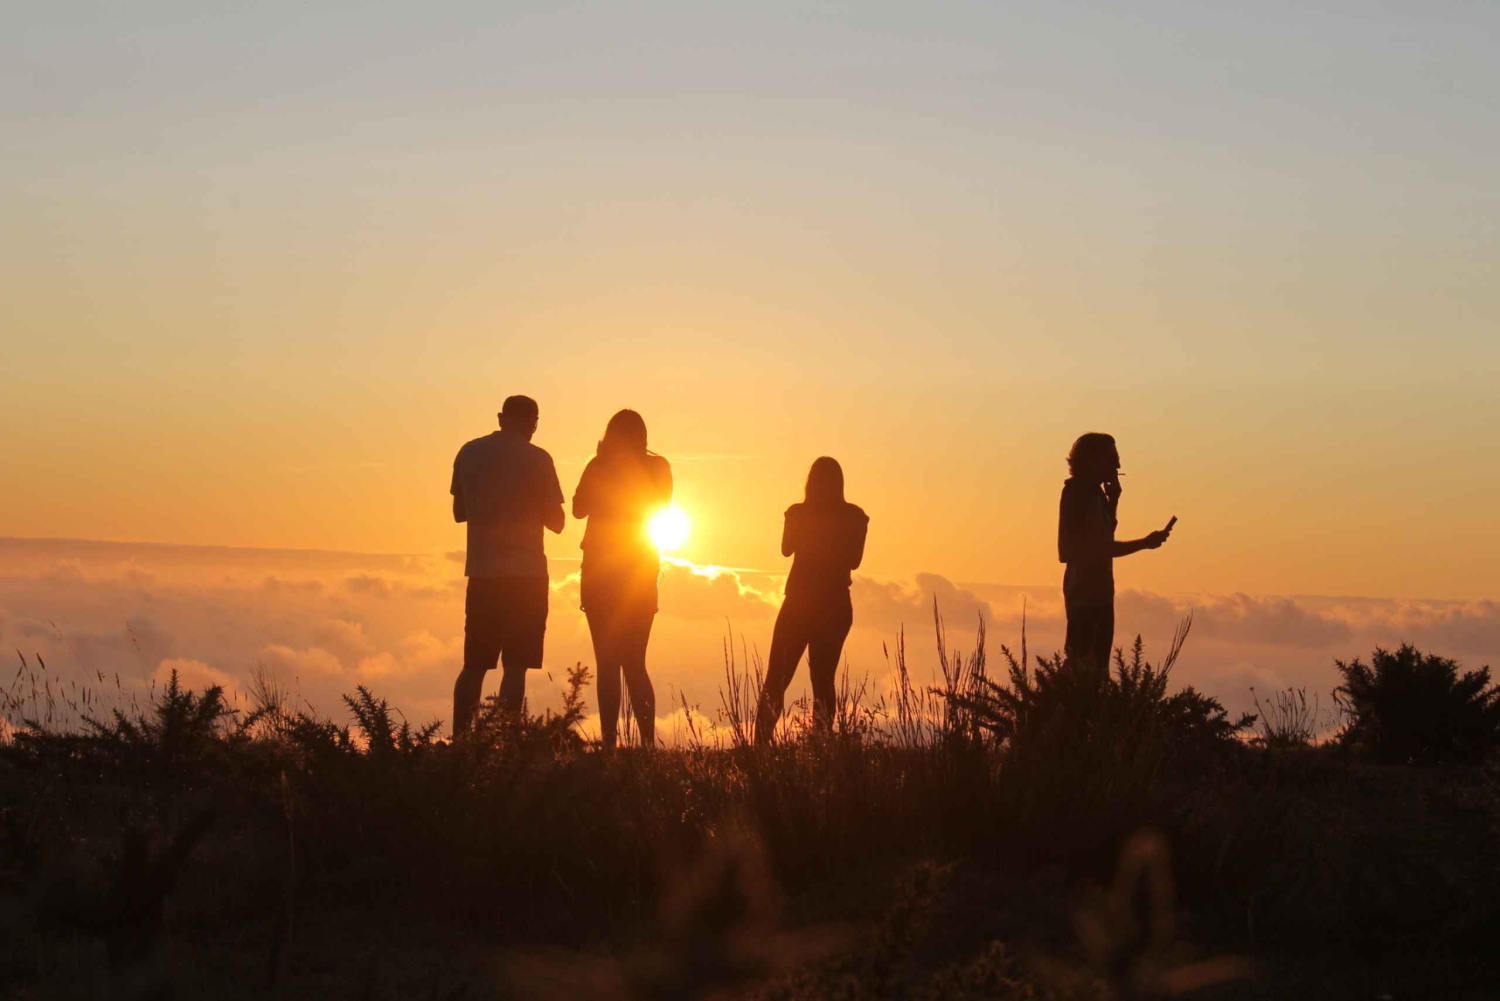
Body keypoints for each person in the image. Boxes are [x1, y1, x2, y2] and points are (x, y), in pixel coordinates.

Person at [449, 395, 565, 735]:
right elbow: (556, 522)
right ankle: (506, 743)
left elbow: (459, 513)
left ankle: (461, 741)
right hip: (526, 576)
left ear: (501, 418)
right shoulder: (539, 459)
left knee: (474, 665)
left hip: (483, 572)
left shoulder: (469, 452)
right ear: (533, 422)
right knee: (515, 667)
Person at [572, 410, 672, 748]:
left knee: (608, 663)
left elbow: (578, 508)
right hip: (639, 571)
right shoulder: (658, 468)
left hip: (603, 571)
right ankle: (644, 746)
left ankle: (610, 744)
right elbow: (661, 506)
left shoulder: (599, 466)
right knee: (634, 663)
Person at [755, 457, 869, 744]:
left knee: (777, 678)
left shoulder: (798, 513)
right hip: (835, 605)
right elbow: (854, 561)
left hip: (799, 603)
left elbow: (785, 549)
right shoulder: (855, 517)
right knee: (823, 680)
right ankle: (820, 744)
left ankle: (760, 745)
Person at [1057, 433, 1174, 678]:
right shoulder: (1079, 495)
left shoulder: (1093, 495)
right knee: (1084, 665)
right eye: (1112, 460)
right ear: (1093, 461)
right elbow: (1098, 548)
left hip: (1097, 592)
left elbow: (1104, 536)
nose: (1118, 467)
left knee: (1095, 665)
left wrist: (1113, 500)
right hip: (1086, 594)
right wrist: (1144, 543)